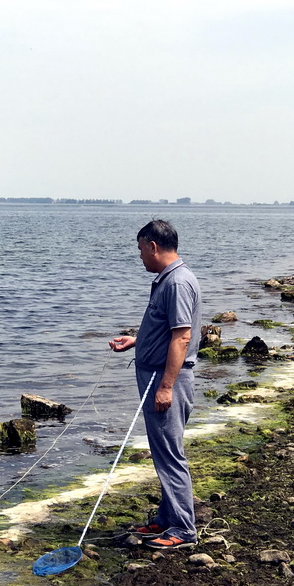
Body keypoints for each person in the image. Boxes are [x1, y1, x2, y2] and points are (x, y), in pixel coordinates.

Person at [109, 219, 202, 550]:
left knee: (169, 454)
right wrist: (136, 340)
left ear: (153, 246)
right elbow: (167, 330)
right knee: (163, 450)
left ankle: (183, 530)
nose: (140, 257)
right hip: (159, 376)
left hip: (167, 382)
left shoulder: (177, 283)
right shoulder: (170, 280)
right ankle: (166, 517)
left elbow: (182, 337)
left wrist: (165, 387)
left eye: (140, 250)